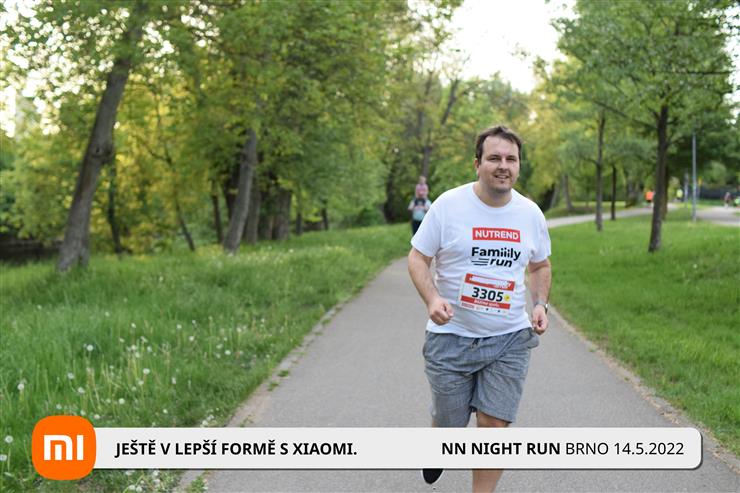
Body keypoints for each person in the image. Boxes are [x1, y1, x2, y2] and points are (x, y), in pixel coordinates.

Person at [407, 125, 551, 492]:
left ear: (518, 166)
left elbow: (540, 265)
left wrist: (539, 304)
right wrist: (432, 298)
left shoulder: (530, 213)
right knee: (450, 425)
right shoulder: (448, 205)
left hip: (509, 338)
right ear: (477, 164)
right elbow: (418, 257)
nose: (503, 166)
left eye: (511, 159)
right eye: (494, 158)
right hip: (451, 337)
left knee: (493, 427)